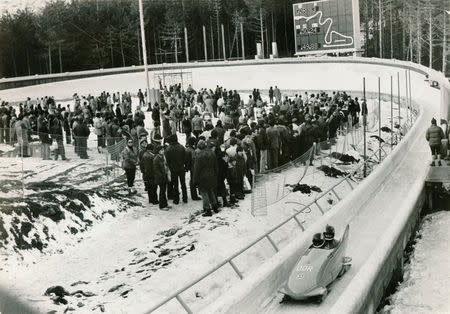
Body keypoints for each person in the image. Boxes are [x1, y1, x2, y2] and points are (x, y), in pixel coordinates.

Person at [193, 140, 219, 217]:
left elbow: (196, 169)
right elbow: (216, 166)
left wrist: (195, 180)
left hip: (203, 177)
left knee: (204, 193)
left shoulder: (199, 155)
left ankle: (207, 209)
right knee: (211, 191)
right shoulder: (212, 153)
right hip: (212, 175)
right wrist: (215, 175)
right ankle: (215, 207)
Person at [164, 134, 188, 204]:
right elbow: (185, 158)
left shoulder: (168, 149)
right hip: (181, 168)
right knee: (183, 183)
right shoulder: (182, 147)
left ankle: (176, 199)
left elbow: (167, 160)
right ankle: (185, 198)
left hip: (173, 169)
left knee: (175, 184)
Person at [153, 144, 171, 210]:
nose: (163, 151)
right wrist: (161, 176)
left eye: (163, 150)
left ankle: (165, 204)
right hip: (160, 177)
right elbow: (156, 170)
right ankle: (162, 206)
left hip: (164, 176)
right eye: (161, 150)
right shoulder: (156, 158)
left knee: (164, 190)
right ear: (158, 151)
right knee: (162, 192)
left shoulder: (163, 157)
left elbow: (165, 165)